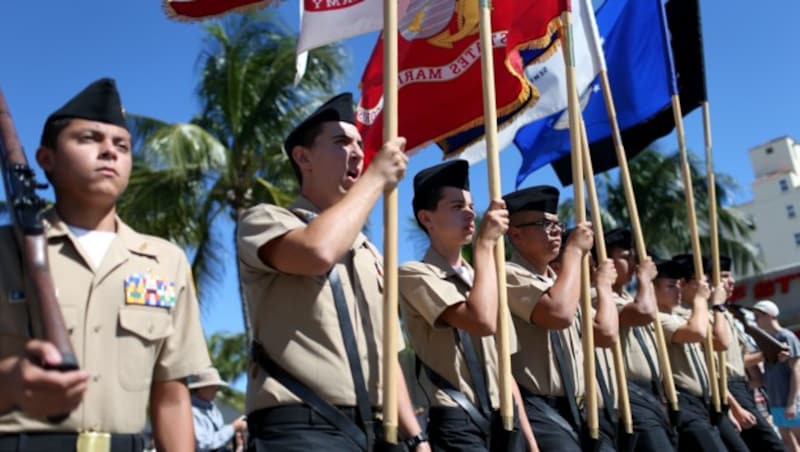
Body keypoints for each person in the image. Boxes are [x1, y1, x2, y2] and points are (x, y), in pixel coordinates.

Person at [0, 78, 211, 451]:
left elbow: (172, 394)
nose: (109, 152)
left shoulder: (165, 262)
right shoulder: (5, 250)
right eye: (88, 139)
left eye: (122, 146)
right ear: (45, 159)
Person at [237, 93, 428, 451]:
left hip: (378, 431)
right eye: (341, 142)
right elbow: (317, 251)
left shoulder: (369, 252)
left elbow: (387, 353)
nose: (357, 153)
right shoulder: (267, 220)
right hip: (304, 427)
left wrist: (417, 437)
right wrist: (375, 179)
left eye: (359, 143)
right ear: (303, 157)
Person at [398, 160, 536, 452]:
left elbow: (505, 369)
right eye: (457, 206)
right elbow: (480, 319)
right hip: (458, 418)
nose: (471, 213)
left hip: (506, 417)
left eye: (472, 205)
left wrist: (531, 442)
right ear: (426, 218)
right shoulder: (414, 273)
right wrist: (484, 246)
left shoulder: (482, 280)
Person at [502, 185, 611, 450]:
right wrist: (574, 253)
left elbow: (606, 334)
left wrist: (603, 285)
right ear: (515, 234)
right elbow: (558, 314)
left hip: (583, 408)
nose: (555, 230)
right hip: (540, 409)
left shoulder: (562, 284)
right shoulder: (507, 274)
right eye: (542, 223)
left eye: (557, 224)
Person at [601, 230, 676, 451]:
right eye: (625, 257)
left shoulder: (627, 297)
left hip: (655, 394)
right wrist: (645, 279)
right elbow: (643, 312)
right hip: (629, 394)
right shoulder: (598, 295)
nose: (633, 264)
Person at [655, 257, 728, 451]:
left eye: (678, 285)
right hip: (683, 400)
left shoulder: (679, 317)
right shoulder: (658, 319)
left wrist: (717, 308)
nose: (677, 291)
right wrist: (701, 299)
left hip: (704, 400)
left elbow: (720, 343)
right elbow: (697, 332)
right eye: (671, 286)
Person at [718, 258, 786, 451]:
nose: (730, 281)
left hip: (753, 391)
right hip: (733, 389)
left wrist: (768, 354)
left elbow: (741, 358)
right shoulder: (713, 316)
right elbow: (721, 368)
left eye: (730, 275)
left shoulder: (730, 314)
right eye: (724, 276)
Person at [752, 299, 800, 451]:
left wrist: (792, 402)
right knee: (787, 440)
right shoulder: (765, 341)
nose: (755, 320)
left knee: (797, 437)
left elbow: (796, 370)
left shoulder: (787, 337)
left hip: (790, 400)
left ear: (768, 315)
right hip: (776, 400)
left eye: (757, 316)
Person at [189, 367, 247, 452]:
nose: (217, 390)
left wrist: (236, 438)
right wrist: (233, 428)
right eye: (214, 386)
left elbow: (218, 440)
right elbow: (203, 444)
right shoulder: (191, 411)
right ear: (202, 387)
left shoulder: (213, 409)